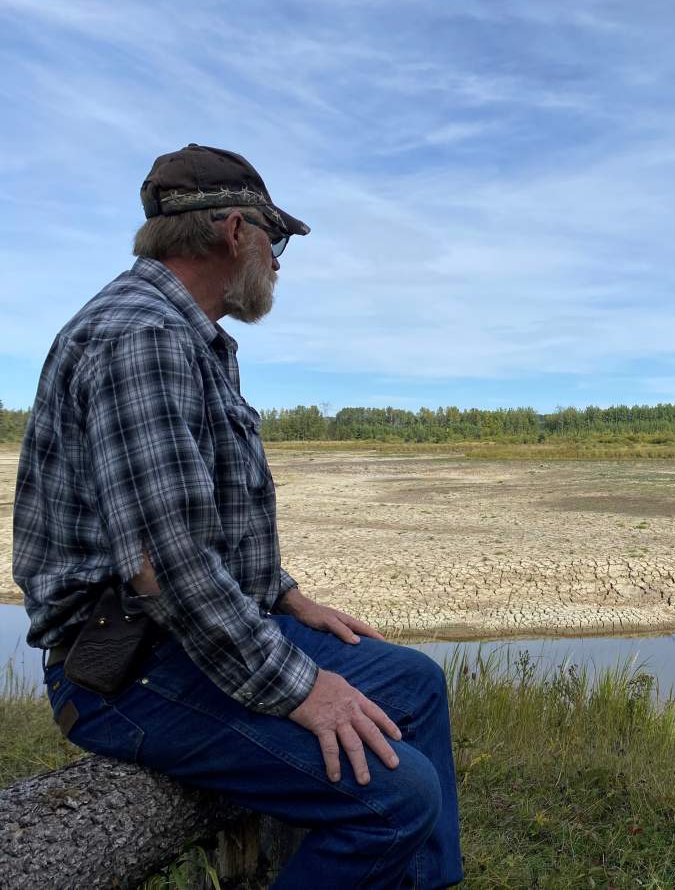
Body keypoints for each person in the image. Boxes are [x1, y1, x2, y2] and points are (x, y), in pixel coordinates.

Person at [12, 144, 463, 889]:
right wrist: (305, 690)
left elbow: (201, 516)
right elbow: (170, 566)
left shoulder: (193, 338)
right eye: (274, 239)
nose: (279, 263)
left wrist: (283, 594)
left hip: (184, 637)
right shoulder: (143, 338)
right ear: (233, 230)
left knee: (413, 682)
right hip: (126, 669)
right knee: (395, 797)